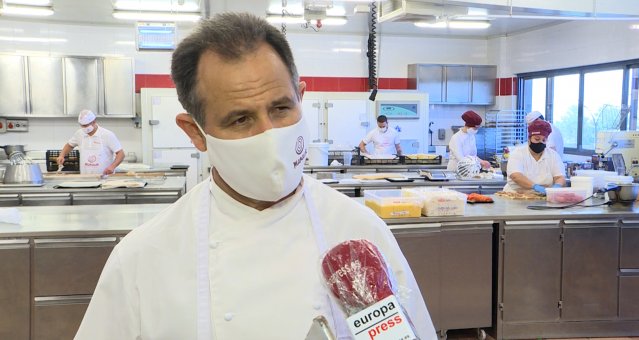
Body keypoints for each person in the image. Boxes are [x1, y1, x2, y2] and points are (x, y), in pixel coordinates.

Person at [74, 12, 437, 340]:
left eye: (281, 108)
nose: (270, 136)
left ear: (301, 95)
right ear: (195, 132)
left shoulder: (360, 232)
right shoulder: (145, 257)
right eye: (240, 119)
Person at [504, 120, 566, 194]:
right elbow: (516, 176)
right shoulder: (518, 153)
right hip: (516, 195)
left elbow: (560, 177)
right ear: (529, 139)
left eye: (544, 140)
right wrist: (535, 187)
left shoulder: (553, 155)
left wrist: (557, 186)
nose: (540, 142)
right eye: (537, 139)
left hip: (543, 197)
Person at [57, 109, 125, 175]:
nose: (84, 127)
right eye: (82, 125)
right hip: (85, 177)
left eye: (86, 125)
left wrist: (112, 166)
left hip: (104, 177)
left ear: (94, 121)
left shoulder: (107, 135)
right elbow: (69, 145)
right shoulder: (79, 134)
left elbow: (121, 154)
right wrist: (61, 155)